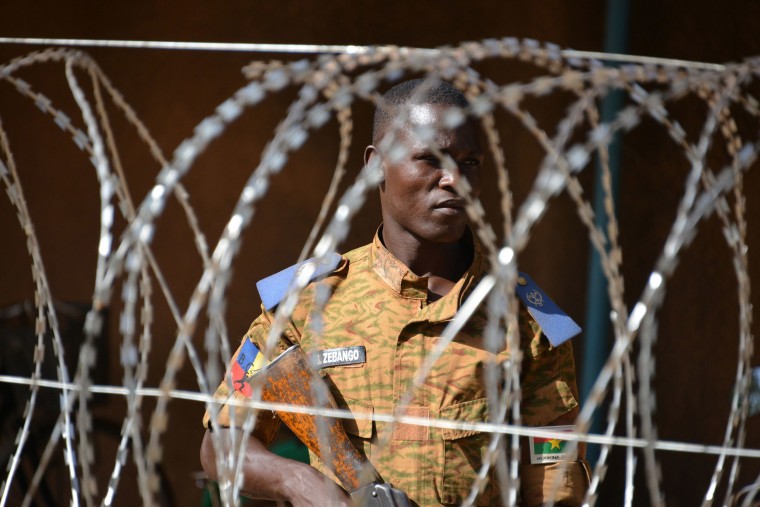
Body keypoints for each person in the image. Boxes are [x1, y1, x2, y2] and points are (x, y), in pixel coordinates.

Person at [200, 78, 589, 506]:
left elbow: (555, 478)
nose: (453, 179)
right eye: (429, 158)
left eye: (470, 162)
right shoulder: (306, 303)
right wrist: (302, 484)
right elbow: (222, 442)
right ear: (375, 165)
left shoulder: (528, 321)